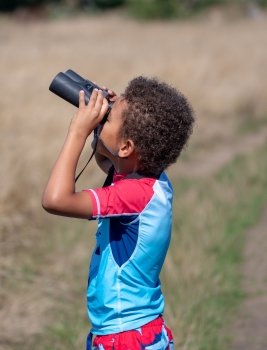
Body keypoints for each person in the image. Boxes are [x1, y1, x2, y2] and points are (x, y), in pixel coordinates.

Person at [42, 76, 195, 350]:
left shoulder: (135, 195)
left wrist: (78, 131)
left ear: (126, 147)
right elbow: (109, 159)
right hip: (133, 333)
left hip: (126, 339)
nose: (102, 117)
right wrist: (104, 124)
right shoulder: (150, 182)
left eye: (108, 118)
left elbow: (56, 200)